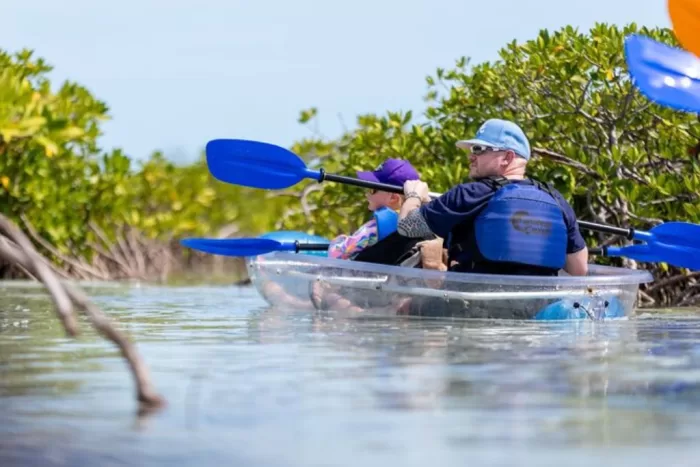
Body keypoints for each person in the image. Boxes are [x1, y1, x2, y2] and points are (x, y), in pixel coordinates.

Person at [397, 118, 589, 277]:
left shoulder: (470, 194)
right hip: (539, 310)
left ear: (507, 157)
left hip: (473, 310)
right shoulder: (556, 199)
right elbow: (579, 269)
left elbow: (407, 226)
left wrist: (413, 196)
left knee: (403, 307)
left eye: (479, 149)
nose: (471, 156)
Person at [327, 158, 431, 266]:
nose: (367, 193)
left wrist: (339, 240)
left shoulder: (373, 228)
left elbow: (336, 253)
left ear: (393, 198)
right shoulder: (419, 226)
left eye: (372, 190)